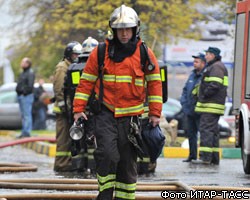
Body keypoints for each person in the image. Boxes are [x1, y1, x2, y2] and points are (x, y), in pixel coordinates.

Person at [73, 4, 162, 200]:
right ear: (113, 30)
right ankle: (104, 195)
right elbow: (86, 82)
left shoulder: (145, 53)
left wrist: (155, 113)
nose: (123, 34)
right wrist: (78, 110)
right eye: (120, 29)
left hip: (131, 118)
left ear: (135, 29)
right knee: (107, 155)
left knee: (128, 163)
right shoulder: (100, 52)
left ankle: (124, 197)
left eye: (127, 29)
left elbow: (155, 84)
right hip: (105, 114)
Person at [192, 47, 228, 165]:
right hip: (213, 105)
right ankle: (213, 158)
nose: (206, 56)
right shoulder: (216, 66)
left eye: (207, 54)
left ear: (213, 55)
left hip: (210, 105)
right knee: (213, 132)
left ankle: (205, 158)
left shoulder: (216, 67)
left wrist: (203, 95)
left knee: (206, 131)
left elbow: (215, 84)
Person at [53, 41, 83, 172]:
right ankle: (61, 164)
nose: (77, 56)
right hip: (63, 110)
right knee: (63, 138)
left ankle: (69, 163)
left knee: (72, 138)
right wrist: (64, 107)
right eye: (75, 54)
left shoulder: (73, 67)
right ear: (69, 54)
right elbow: (59, 89)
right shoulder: (62, 67)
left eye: (78, 54)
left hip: (70, 108)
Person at [180, 53, 206, 162]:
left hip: (200, 111)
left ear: (203, 63)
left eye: (197, 61)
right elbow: (185, 91)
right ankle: (192, 155)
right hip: (189, 111)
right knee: (191, 134)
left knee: (203, 134)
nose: (194, 64)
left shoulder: (205, 75)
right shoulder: (192, 75)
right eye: (194, 61)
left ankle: (204, 156)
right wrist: (184, 105)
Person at [16, 57, 35, 138]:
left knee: (27, 115)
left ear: (28, 64)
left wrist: (24, 93)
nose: (21, 64)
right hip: (21, 96)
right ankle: (24, 132)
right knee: (24, 115)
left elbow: (30, 86)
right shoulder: (23, 73)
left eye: (23, 62)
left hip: (26, 96)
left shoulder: (30, 73)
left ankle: (27, 132)